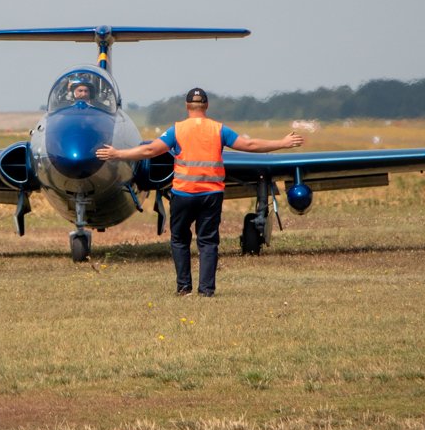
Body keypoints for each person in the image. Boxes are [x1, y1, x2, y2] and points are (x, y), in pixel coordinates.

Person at [96, 87, 304, 296]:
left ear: (187, 107)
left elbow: (150, 150)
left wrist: (117, 153)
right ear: (206, 106)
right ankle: (206, 290)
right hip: (211, 195)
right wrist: (283, 143)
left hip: (183, 194)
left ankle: (184, 288)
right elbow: (248, 144)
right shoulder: (218, 129)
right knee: (208, 241)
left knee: (179, 240)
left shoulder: (177, 130)